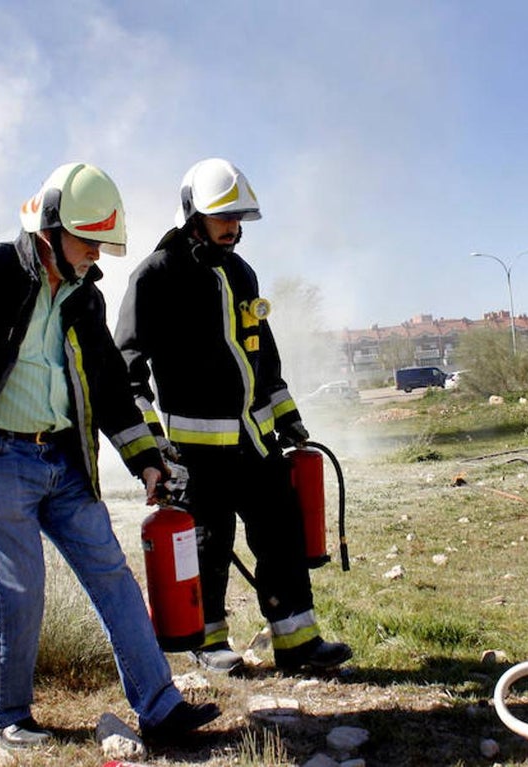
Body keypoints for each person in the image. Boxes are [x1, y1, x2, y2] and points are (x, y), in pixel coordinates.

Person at [0, 162, 219, 748]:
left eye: (102, 244)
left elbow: (109, 387)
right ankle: (7, 715)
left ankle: (161, 708)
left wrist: (145, 458)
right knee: (18, 589)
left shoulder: (85, 300)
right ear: (50, 229)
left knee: (112, 575)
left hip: (62, 461)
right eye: (88, 241)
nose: (96, 256)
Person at [114, 158, 351, 674]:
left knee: (282, 534)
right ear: (193, 215)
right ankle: (210, 643)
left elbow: (264, 354)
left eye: (239, 218)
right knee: (208, 545)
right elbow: (126, 371)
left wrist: (287, 417)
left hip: (257, 445)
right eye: (224, 217)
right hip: (195, 454)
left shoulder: (242, 273)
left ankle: (298, 642)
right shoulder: (157, 275)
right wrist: (153, 448)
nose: (234, 228)